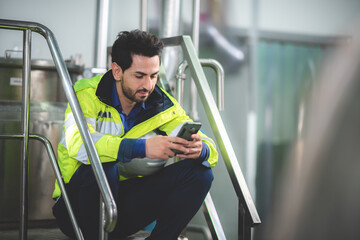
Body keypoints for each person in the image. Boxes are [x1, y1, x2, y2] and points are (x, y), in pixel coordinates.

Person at [52, 29, 218, 240]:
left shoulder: (162, 104)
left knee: (200, 173)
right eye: (139, 76)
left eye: (153, 76)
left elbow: (210, 149)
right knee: (105, 164)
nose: (148, 85)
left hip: (124, 208)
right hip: (76, 209)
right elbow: (79, 145)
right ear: (117, 71)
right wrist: (142, 148)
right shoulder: (86, 95)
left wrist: (200, 149)